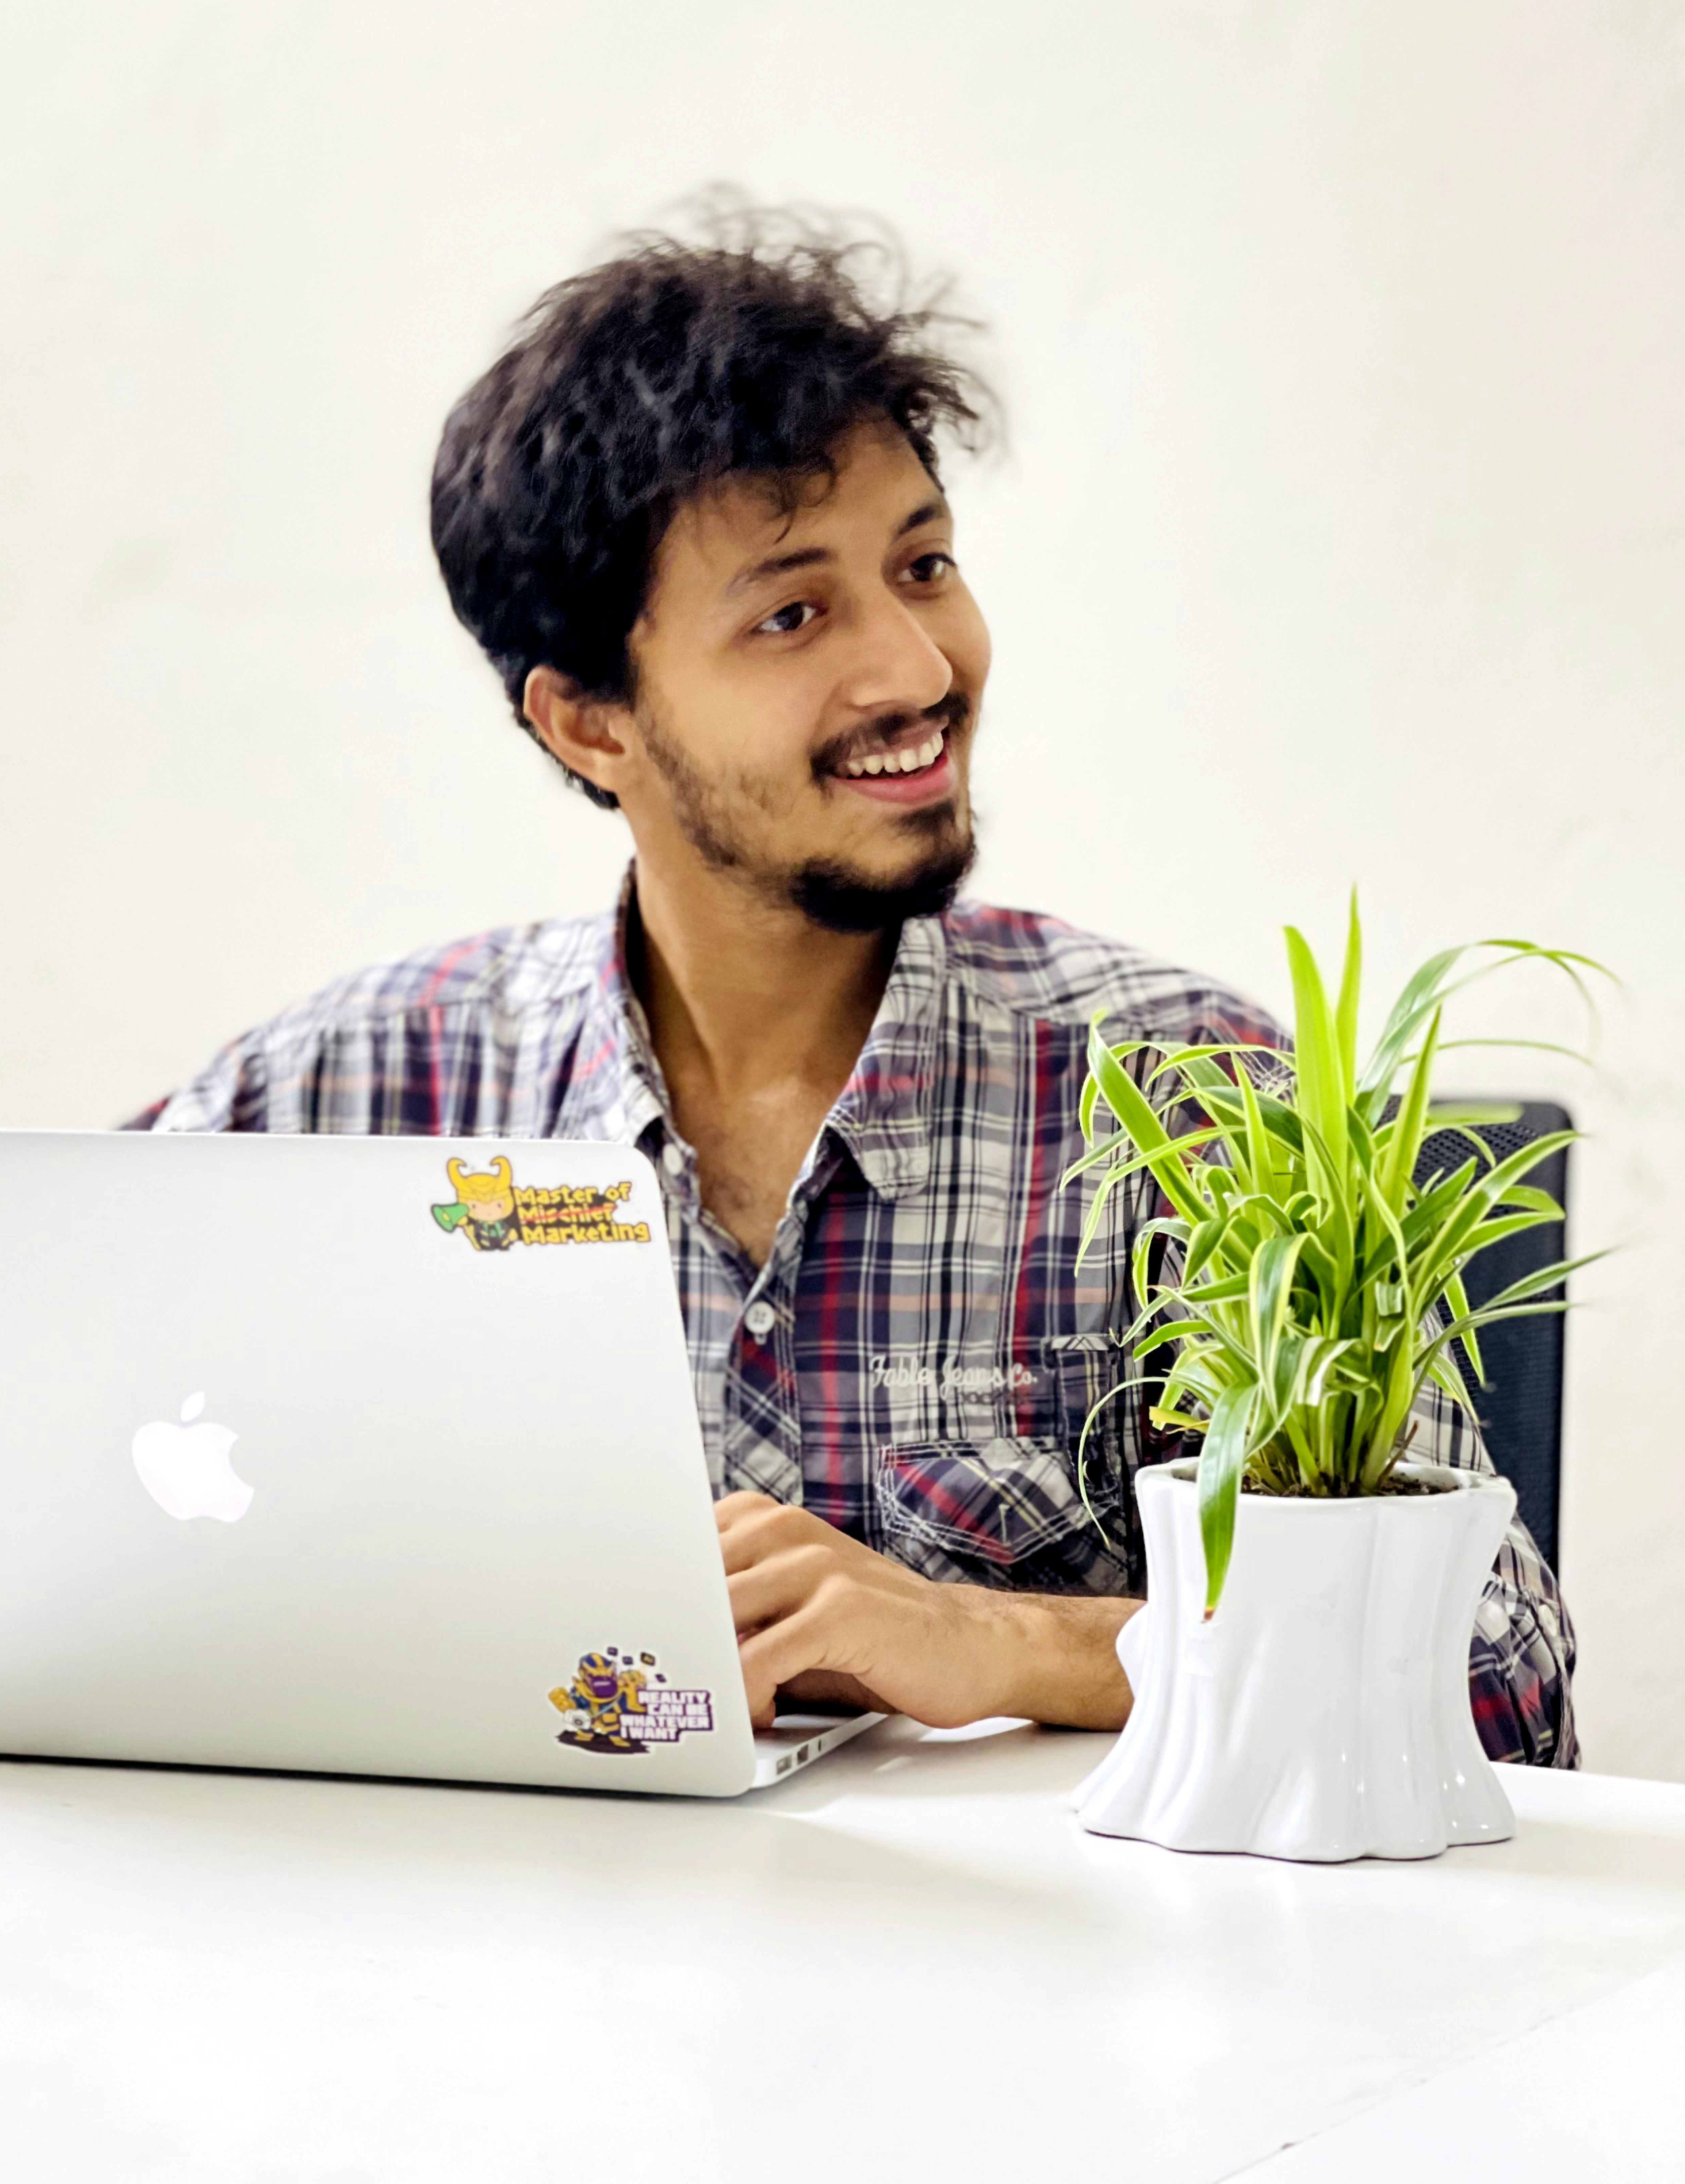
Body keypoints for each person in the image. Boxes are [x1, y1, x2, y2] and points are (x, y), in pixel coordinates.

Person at [137, 210, 1575, 1763]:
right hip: (489, 1967)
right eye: (793, 612)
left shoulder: (1197, 1102)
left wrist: (1005, 1641)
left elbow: (1503, 1682)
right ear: (590, 725)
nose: (916, 668)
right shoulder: (334, 1100)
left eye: (925, 564)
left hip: (1043, 1991)